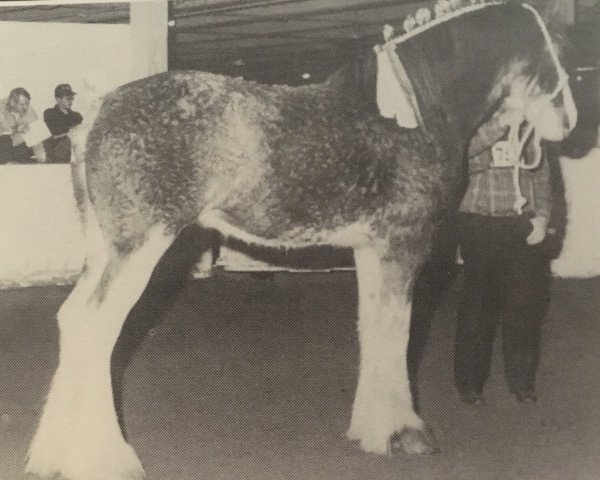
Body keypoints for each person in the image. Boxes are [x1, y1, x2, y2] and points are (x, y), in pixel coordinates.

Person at [454, 112, 554, 405]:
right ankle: (470, 385)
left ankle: (522, 382)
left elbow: (542, 176)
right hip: (481, 224)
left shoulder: (529, 130)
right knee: (477, 307)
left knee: (524, 307)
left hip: (522, 226)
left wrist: (543, 218)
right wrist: (501, 122)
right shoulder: (473, 126)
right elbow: (467, 154)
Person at [43, 83, 83, 163]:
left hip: (74, 153)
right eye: (68, 99)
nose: (70, 101)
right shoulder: (50, 113)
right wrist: (70, 132)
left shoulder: (76, 116)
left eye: (72, 98)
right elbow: (52, 135)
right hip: (56, 153)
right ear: (58, 99)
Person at [0, 87, 39, 164]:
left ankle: (22, 161)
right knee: (5, 139)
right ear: (12, 102)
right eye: (23, 104)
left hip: (21, 146)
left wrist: (40, 152)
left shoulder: (29, 110)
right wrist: (15, 129)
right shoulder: (1, 108)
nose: (26, 107)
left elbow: (36, 131)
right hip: (4, 147)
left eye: (27, 103)